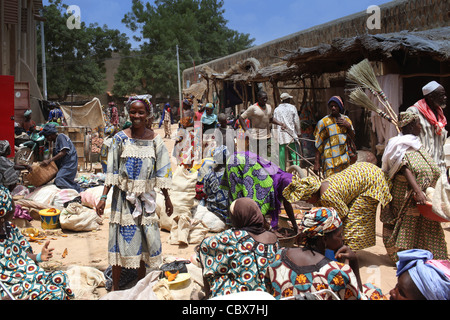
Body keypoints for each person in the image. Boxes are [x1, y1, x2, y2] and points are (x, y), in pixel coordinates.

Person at [96, 95, 173, 291]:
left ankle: (140, 285)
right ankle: (115, 288)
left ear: (148, 115)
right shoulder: (119, 139)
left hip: (145, 200)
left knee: (144, 242)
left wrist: (168, 198)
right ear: (127, 113)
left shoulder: (155, 140)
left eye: (141, 112)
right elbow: (112, 171)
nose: (136, 115)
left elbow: (162, 170)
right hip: (123, 200)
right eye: (133, 112)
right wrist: (103, 197)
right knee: (120, 240)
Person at [265, 207, 387, 300]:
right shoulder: (338, 272)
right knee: (373, 290)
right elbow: (358, 296)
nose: (343, 238)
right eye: (339, 235)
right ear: (324, 239)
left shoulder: (280, 255)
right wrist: (354, 262)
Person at [381, 111, 448, 262]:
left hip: (424, 196)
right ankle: (405, 257)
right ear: (410, 126)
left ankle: (435, 256)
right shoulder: (398, 145)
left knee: (428, 225)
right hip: (406, 194)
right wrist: (417, 190)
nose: (420, 127)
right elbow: (404, 168)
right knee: (407, 227)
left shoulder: (415, 143)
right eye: (418, 123)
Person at [282, 162, 392, 251]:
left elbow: (342, 215)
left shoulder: (327, 196)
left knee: (353, 223)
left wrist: (323, 232)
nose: (307, 202)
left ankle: (347, 253)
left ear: (312, 194)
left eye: (306, 199)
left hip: (371, 180)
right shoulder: (321, 188)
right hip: (364, 172)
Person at [0, 185, 75, 300]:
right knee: (52, 294)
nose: (15, 207)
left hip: (28, 273)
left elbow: (21, 255)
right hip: (11, 285)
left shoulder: (10, 229)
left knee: (59, 277)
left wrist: (39, 256)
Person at [197, 198, 279, 298]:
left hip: (241, 293)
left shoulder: (233, 236)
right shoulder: (273, 238)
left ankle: (208, 296)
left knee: (214, 268)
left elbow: (205, 245)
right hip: (267, 293)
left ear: (238, 217)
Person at [220, 151, 298, 232]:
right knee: (243, 202)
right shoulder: (267, 188)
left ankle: (237, 227)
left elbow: (287, 203)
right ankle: (240, 229)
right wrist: (271, 230)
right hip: (239, 163)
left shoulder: (280, 177)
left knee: (239, 197)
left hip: (237, 160)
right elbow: (256, 210)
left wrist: (294, 225)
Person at [406, 81, 447, 173]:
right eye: (441, 95)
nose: (445, 98)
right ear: (431, 97)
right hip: (423, 168)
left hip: (440, 167)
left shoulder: (440, 114)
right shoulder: (413, 111)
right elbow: (407, 140)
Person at [314, 96, 356, 178]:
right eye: (331, 106)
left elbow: (353, 138)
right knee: (331, 186)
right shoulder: (323, 122)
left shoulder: (346, 120)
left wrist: (348, 126)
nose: (333, 108)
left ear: (340, 107)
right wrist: (316, 162)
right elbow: (318, 144)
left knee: (344, 184)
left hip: (344, 160)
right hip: (330, 161)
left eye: (335, 106)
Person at [239, 91, 286, 160]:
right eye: (263, 98)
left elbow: (271, 119)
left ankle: (269, 169)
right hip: (256, 138)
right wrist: (246, 131)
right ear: (258, 98)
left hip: (268, 137)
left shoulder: (269, 107)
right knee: (257, 158)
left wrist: (280, 123)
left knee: (271, 156)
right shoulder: (253, 108)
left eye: (266, 98)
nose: (265, 100)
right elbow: (241, 118)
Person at [40, 123, 81, 192]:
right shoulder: (55, 142)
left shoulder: (61, 137)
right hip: (64, 165)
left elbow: (63, 152)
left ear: (50, 135)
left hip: (69, 164)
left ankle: (77, 190)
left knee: (59, 180)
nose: (46, 138)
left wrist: (49, 160)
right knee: (58, 181)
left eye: (46, 136)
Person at [273, 93, 301, 171]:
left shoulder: (276, 109)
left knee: (282, 154)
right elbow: (296, 121)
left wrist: (275, 135)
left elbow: (274, 123)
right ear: (287, 99)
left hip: (281, 135)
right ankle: (297, 169)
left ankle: (282, 170)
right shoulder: (292, 108)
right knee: (294, 153)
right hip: (291, 134)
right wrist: (298, 132)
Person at [202, 146, 230, 224]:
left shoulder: (209, 173)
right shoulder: (231, 173)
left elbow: (206, 191)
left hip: (212, 209)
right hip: (227, 212)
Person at [174, 99, 196, 168]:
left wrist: (178, 138)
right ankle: (190, 167)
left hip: (186, 134)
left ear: (186, 105)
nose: (182, 106)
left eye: (183, 104)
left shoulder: (185, 113)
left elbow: (183, 125)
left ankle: (185, 168)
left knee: (185, 151)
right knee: (191, 150)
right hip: (192, 133)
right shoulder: (193, 112)